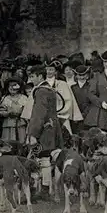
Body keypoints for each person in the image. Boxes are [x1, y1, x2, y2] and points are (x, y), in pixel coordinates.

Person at [21, 65, 64, 200]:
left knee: (40, 158)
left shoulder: (41, 91)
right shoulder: (48, 89)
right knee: (44, 158)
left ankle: (38, 191)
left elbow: (39, 114)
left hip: (44, 129)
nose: (31, 79)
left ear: (40, 76)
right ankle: (45, 189)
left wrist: (33, 133)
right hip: (50, 128)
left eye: (33, 76)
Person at [41, 58, 83, 135]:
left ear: (56, 72)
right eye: (47, 69)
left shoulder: (62, 84)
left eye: (51, 70)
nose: (48, 72)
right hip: (44, 116)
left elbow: (68, 101)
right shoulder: (41, 84)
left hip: (61, 115)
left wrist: (57, 111)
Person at [0, 77, 28, 142]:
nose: (11, 88)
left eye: (14, 85)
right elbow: (0, 111)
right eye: (9, 86)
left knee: (22, 142)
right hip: (8, 124)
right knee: (8, 143)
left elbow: (28, 111)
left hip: (21, 124)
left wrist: (21, 113)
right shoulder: (5, 98)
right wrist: (7, 113)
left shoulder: (24, 98)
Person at [70, 65, 92, 134]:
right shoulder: (72, 88)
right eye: (79, 75)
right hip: (75, 117)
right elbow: (71, 103)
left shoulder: (91, 87)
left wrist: (84, 114)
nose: (82, 77)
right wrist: (76, 114)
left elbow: (92, 103)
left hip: (88, 116)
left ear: (87, 75)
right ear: (76, 76)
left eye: (84, 75)